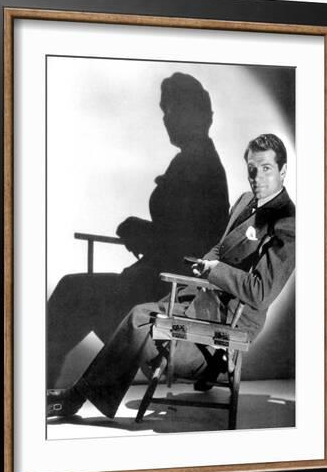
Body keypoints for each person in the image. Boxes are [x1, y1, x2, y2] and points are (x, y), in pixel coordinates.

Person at [47, 133, 295, 419]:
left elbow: (261, 292)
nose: (256, 176)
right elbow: (221, 245)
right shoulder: (244, 200)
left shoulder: (287, 222)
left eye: (266, 168)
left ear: (283, 171)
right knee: (132, 314)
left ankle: (75, 399)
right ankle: (79, 389)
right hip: (203, 300)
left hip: (231, 321)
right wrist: (206, 262)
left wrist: (216, 272)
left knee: (140, 318)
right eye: (251, 167)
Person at [47, 73, 229, 389]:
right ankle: (55, 382)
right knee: (76, 291)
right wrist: (142, 231)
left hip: (168, 290)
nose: (166, 120)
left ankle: (33, 382)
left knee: (71, 292)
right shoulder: (193, 160)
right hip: (154, 278)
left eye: (172, 110)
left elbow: (191, 242)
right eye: (164, 112)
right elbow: (178, 229)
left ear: (196, 114)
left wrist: (138, 231)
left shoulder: (198, 165)